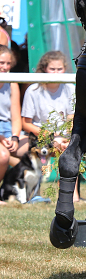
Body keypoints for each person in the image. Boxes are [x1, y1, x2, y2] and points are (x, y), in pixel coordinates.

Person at [21, 51, 76, 199]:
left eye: (60, 69)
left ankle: (71, 195)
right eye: (52, 69)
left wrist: (64, 138)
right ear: (44, 68)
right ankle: (29, 190)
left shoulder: (70, 88)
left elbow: (71, 119)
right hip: (37, 137)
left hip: (62, 136)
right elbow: (26, 123)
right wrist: (50, 136)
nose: (56, 73)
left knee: (70, 148)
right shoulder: (33, 90)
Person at [0, 46, 22, 204]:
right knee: (3, 156)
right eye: (1, 62)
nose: (5, 67)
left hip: (8, 130)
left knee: (37, 153)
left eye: (8, 63)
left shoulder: (12, 83)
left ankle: (31, 195)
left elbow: (16, 117)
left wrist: (14, 137)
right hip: (1, 134)